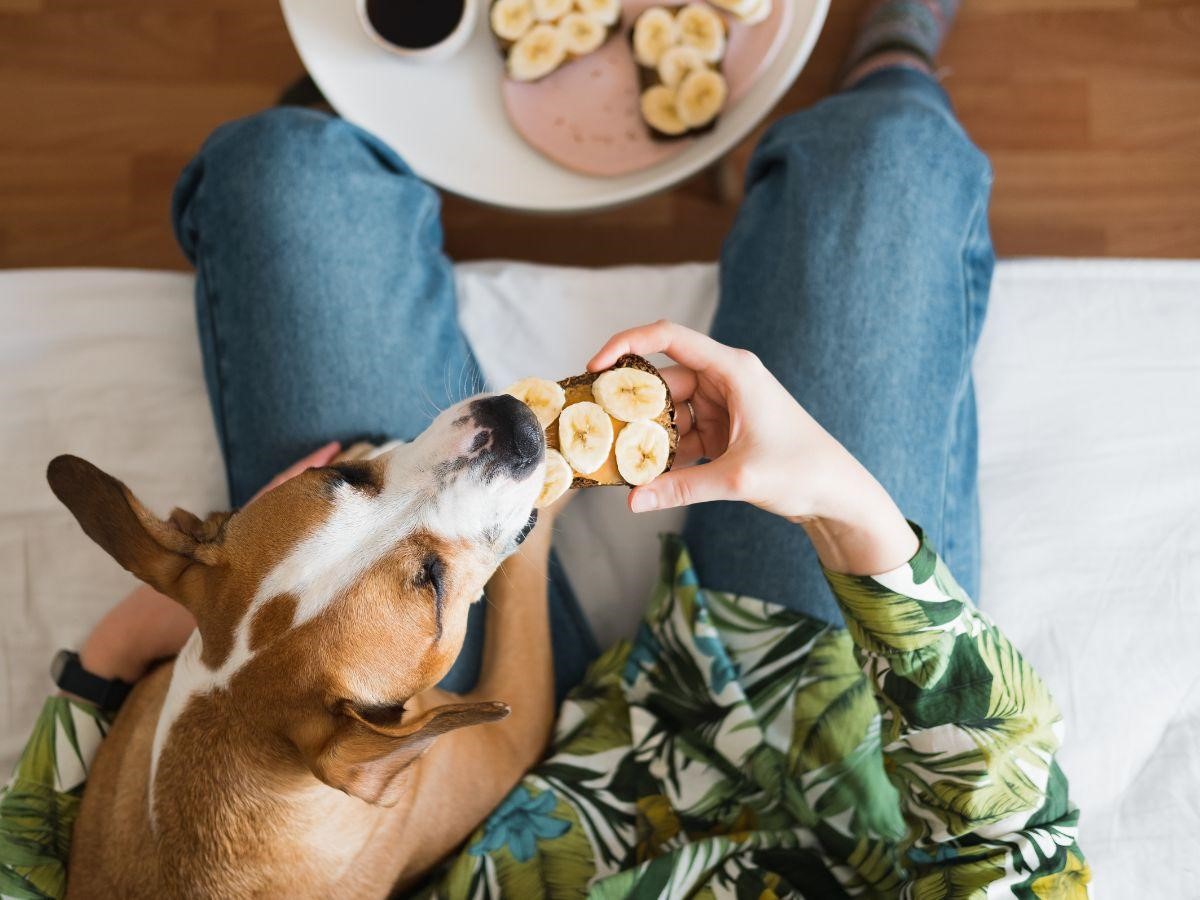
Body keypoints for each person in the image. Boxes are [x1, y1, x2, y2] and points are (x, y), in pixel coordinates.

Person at [1, 0, 1091, 895]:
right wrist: (853, 514)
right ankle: (894, 54)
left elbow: (25, 868)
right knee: (882, 162)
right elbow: (1021, 858)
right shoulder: (368, 739)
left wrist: (108, 662)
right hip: (817, 729)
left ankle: (353, 136)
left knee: (281, 173)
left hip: (442, 768)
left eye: (358, 483)